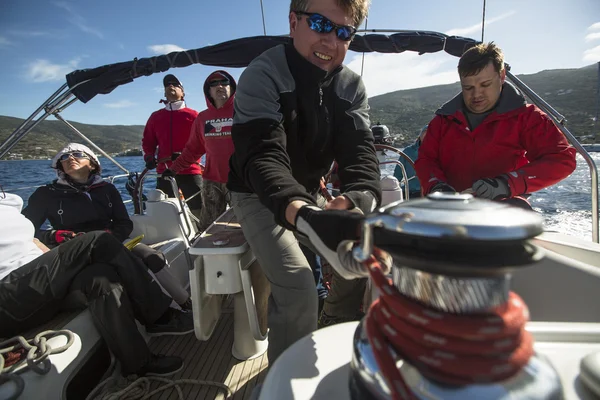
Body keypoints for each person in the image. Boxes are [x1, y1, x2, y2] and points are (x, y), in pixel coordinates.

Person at [227, 0, 381, 364]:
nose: (331, 41)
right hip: (257, 194)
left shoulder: (351, 86)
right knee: (297, 284)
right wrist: (307, 215)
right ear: (293, 21)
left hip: (309, 192)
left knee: (360, 259)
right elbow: (262, 155)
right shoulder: (262, 74)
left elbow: (360, 152)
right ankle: (284, 378)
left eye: (344, 33)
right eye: (320, 24)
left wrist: (356, 199)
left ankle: (334, 325)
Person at [0, 191, 194, 377]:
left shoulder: (8, 202)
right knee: (97, 239)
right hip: (9, 298)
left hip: (36, 288)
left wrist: (51, 246)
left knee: (101, 278)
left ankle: (138, 363)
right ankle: (160, 317)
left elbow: (26, 239)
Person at [22, 143, 191, 310]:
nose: (70, 158)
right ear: (60, 166)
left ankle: (184, 302)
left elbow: (124, 222)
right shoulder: (46, 194)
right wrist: (54, 235)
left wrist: (111, 235)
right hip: (73, 249)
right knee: (111, 270)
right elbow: (23, 229)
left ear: (92, 164)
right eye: (64, 157)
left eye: (78, 154)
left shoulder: (107, 189)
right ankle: (159, 313)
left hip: (111, 239)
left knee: (151, 256)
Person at [415, 42, 577, 207]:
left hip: (503, 211)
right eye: (468, 87)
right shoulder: (443, 121)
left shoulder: (527, 118)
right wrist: (437, 186)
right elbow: (426, 159)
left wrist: (505, 184)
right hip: (450, 209)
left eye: (485, 85)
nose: (477, 94)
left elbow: (561, 159)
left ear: (501, 76)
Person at [165, 70, 236, 233]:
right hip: (211, 180)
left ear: (232, 87)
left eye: (224, 82)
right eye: (214, 83)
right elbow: (193, 150)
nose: (219, 86)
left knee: (244, 225)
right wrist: (173, 169)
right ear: (208, 90)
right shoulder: (202, 118)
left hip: (240, 180)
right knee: (207, 228)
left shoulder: (244, 112)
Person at [142, 74, 202, 218]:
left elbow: (202, 143)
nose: (171, 86)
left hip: (190, 170)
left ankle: (204, 232)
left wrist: (185, 156)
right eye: (167, 84)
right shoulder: (155, 117)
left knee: (200, 207)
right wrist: (149, 156)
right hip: (165, 171)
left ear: (183, 92)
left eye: (175, 85)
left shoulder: (194, 115)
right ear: (164, 92)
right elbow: (148, 141)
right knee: (166, 211)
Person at [393, 125, 427, 199]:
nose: (427, 136)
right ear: (420, 136)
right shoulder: (408, 151)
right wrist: (393, 187)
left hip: (430, 192)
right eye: (425, 133)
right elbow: (398, 173)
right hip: (410, 191)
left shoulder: (439, 151)